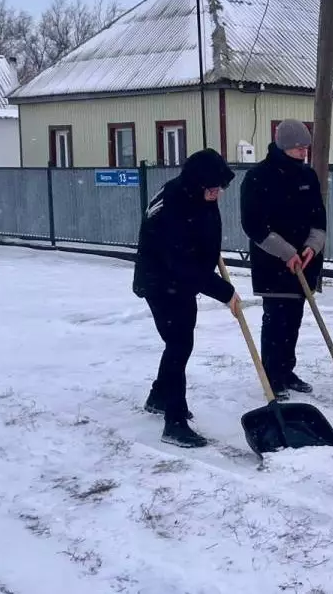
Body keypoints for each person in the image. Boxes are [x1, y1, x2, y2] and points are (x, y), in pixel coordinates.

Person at [132, 147, 242, 448]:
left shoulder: (197, 194)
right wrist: (224, 291)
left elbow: (201, 237)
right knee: (179, 345)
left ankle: (158, 396)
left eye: (221, 187)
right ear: (197, 182)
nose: (217, 192)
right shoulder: (174, 204)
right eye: (212, 187)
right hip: (161, 282)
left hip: (179, 281)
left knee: (179, 342)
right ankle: (174, 421)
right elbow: (180, 262)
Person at [239, 119, 327, 398]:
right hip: (273, 262)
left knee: (294, 318)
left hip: (305, 260)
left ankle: (287, 370)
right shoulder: (258, 177)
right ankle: (272, 375)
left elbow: (318, 218)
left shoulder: (308, 177)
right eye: (298, 148)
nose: (303, 153)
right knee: (276, 318)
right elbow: (254, 225)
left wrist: (312, 246)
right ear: (283, 147)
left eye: (306, 148)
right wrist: (287, 253)